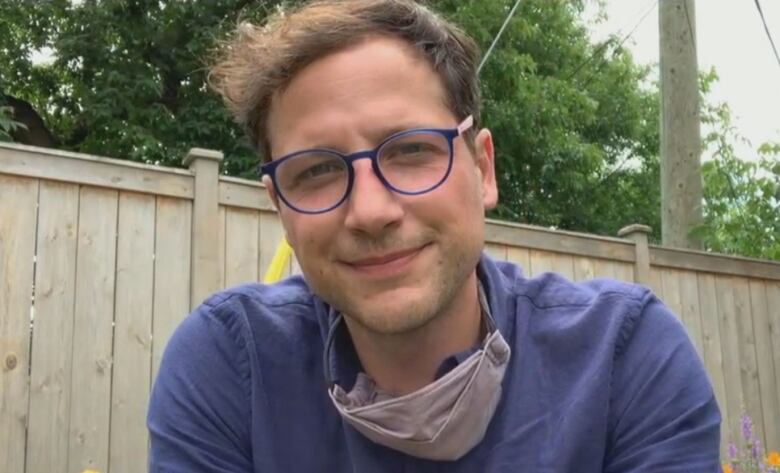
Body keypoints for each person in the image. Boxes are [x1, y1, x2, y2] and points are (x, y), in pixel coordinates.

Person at [147, 0, 721, 471]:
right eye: (317, 171)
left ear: (483, 168)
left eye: (411, 151)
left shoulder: (624, 355)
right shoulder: (228, 366)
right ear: (280, 208)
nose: (370, 211)